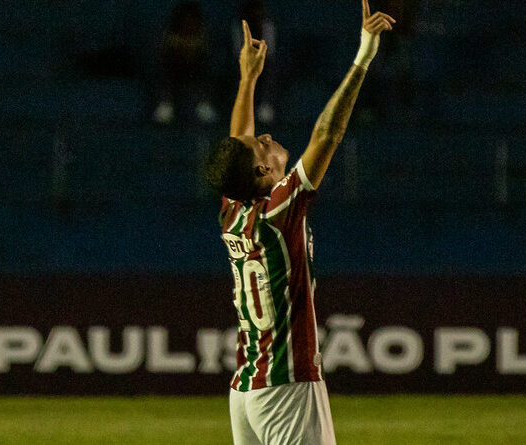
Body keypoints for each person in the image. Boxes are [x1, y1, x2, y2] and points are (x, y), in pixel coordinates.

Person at [204, 1, 395, 444]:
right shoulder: (276, 209)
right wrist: (363, 57)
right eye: (262, 146)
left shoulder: (234, 210)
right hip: (287, 386)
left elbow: (237, 143)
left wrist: (248, 80)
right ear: (260, 173)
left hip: (247, 389)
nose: (267, 138)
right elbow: (327, 135)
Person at [152, 1, 217, 124]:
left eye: (191, 20)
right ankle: (166, 105)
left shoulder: (202, 35)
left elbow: (206, 54)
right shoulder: (170, 36)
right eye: (185, 20)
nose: (188, 24)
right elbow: (164, 55)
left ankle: (204, 105)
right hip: (175, 70)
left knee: (206, 67)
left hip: (196, 70)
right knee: (167, 68)